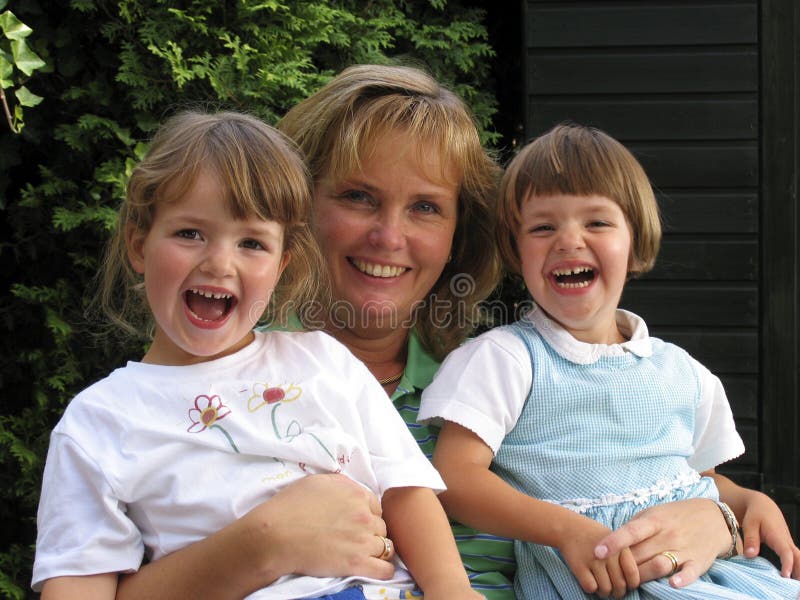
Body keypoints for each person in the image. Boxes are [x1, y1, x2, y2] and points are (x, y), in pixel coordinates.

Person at [107, 65, 745, 600]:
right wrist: (260, 545)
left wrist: (722, 520)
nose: (390, 236)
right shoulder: (206, 388)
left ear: (457, 237)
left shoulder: (498, 386)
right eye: (358, 196)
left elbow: (641, 480)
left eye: (425, 208)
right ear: (295, 214)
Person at [31, 110, 481, 600]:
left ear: (281, 264)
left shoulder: (324, 361)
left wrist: (453, 591)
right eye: (190, 234)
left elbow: (406, 492)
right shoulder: (98, 424)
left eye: (251, 243)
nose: (220, 263)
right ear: (139, 244)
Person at [419, 122, 800, 599]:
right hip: (593, 580)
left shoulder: (683, 372)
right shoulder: (506, 358)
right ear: (516, 252)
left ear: (635, 240)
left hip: (702, 575)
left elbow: (699, 480)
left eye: (596, 222)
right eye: (543, 227)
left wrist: (748, 501)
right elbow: (454, 477)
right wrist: (564, 530)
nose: (568, 240)